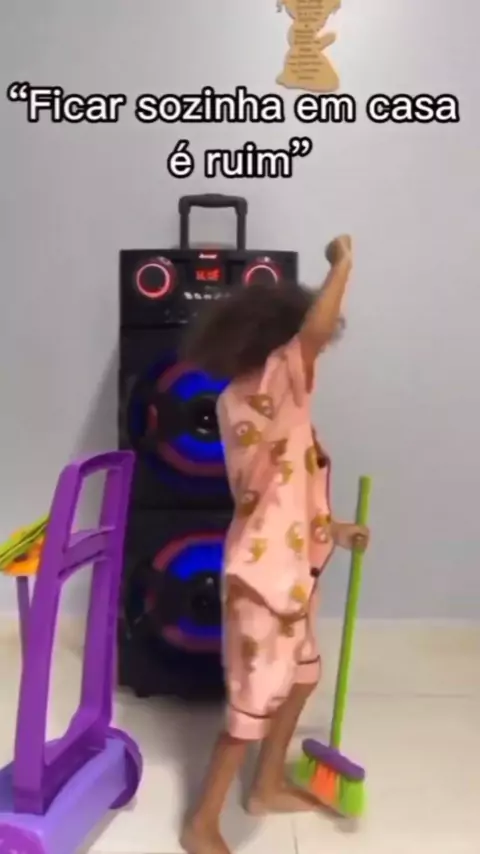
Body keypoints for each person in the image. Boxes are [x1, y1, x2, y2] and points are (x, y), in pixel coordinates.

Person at [180, 235, 370, 854]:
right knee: (250, 707)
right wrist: (342, 266)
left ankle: (264, 786)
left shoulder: (269, 401)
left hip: (293, 573)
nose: (317, 354)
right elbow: (314, 332)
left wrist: (334, 529)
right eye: (307, 347)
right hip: (265, 584)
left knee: (302, 678)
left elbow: (286, 487)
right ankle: (201, 823)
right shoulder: (266, 390)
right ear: (276, 343)